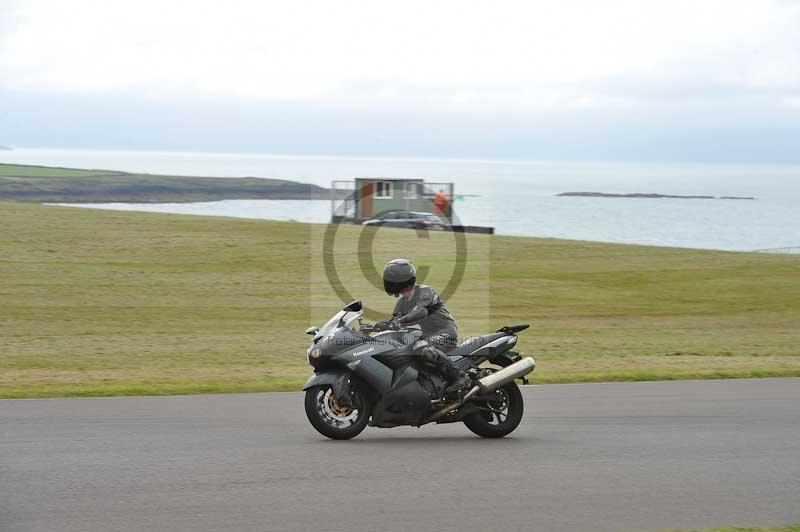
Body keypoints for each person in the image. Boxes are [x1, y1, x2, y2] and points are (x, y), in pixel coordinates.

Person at [376, 258, 471, 394]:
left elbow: (421, 312)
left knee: (421, 349)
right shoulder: (401, 303)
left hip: (446, 331)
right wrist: (378, 327)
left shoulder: (425, 291)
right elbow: (395, 323)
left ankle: (460, 377)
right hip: (427, 335)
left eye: (389, 279)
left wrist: (398, 321)